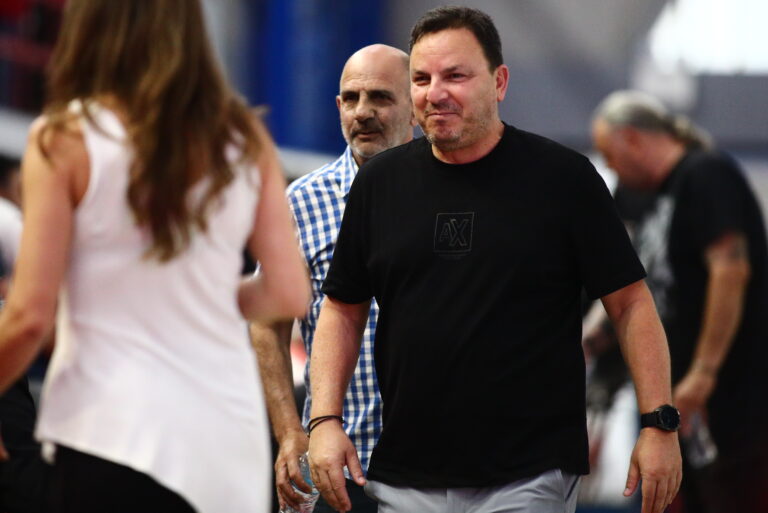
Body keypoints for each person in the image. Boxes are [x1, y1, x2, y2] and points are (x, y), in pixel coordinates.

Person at [307, 6, 682, 513]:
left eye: (456, 76)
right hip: (404, 475)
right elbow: (341, 309)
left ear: (499, 82)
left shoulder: (564, 180)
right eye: (421, 79)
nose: (435, 93)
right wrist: (324, 420)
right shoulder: (379, 184)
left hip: (529, 473)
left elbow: (631, 304)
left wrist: (658, 423)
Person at [0, 1, 310, 512]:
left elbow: (31, 316)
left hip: (108, 433)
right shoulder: (242, 135)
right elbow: (288, 292)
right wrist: (194, 297)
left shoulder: (64, 138)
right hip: (227, 441)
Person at [250, 44, 415, 513]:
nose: (362, 112)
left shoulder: (451, 196)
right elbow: (266, 322)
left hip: (434, 469)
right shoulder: (301, 202)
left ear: (416, 107)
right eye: (351, 99)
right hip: (334, 465)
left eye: (380, 97)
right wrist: (288, 433)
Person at [592, 90, 768, 513]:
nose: (611, 167)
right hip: (673, 399)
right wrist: (592, 343)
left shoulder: (705, 174)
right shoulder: (642, 196)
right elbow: (629, 289)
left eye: (610, 155)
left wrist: (704, 373)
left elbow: (731, 270)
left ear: (632, 138)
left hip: (731, 395)